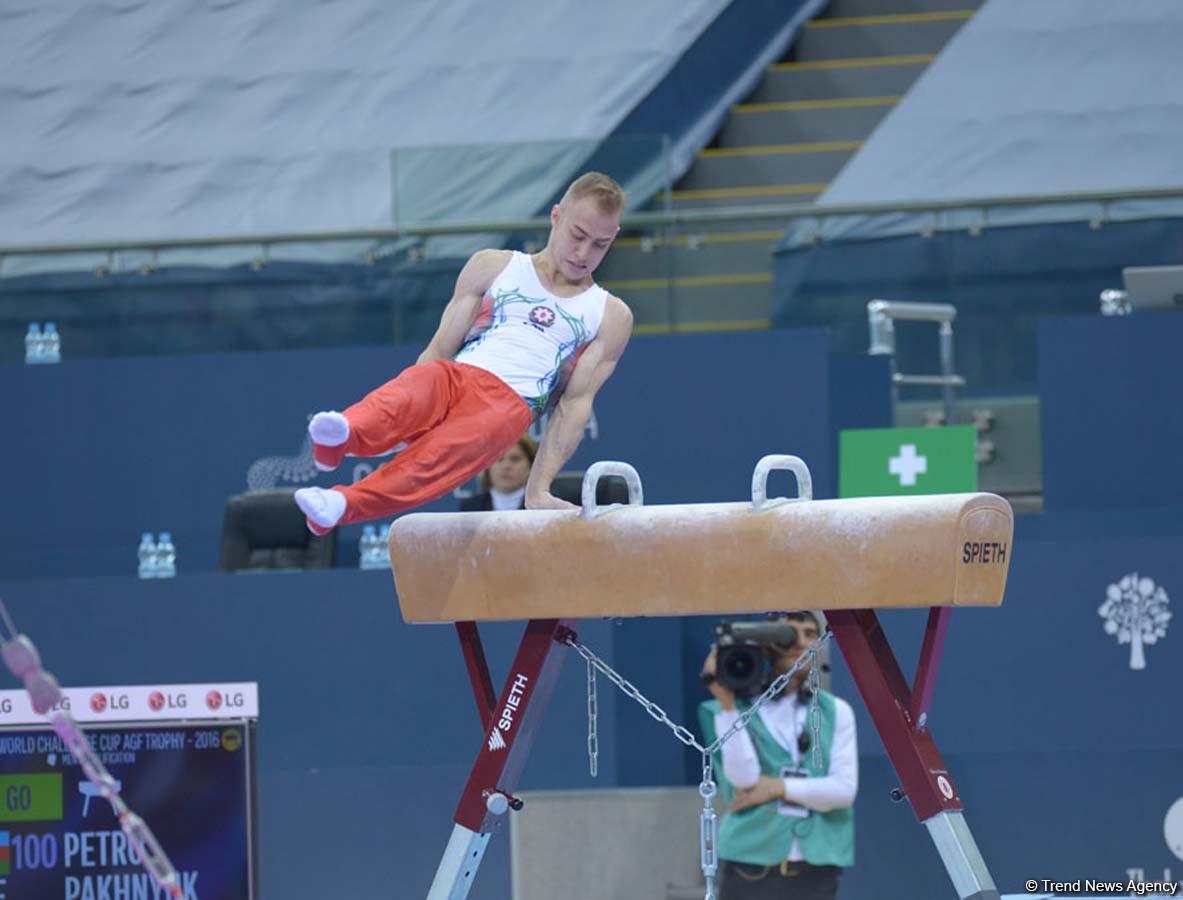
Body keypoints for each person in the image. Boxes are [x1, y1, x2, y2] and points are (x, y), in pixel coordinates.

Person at [292, 172, 633, 534]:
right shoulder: (493, 266)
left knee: (434, 460)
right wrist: (411, 427)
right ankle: (343, 436)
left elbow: (573, 407)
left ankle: (341, 504)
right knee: (415, 386)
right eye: (577, 236)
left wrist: (538, 489)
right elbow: (439, 349)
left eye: (600, 244)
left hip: (507, 406)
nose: (583, 253)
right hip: (456, 374)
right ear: (556, 217)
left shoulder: (609, 315)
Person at [698, 611, 857, 900]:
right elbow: (743, 780)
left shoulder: (836, 711)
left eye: (810, 634)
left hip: (816, 869)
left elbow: (843, 790)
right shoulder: (724, 712)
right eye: (787, 634)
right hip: (750, 866)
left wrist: (776, 787)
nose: (799, 643)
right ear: (766, 643)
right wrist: (726, 702)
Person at [459, 434, 537, 511]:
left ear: (531, 464)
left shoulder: (541, 506)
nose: (506, 466)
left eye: (515, 459)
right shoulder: (470, 507)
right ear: (487, 466)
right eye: (499, 459)